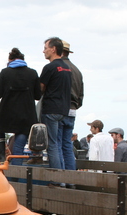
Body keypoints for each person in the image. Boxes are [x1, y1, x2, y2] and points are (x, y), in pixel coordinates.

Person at [0, 47, 41, 164]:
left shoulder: (5, 72)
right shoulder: (32, 73)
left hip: (6, 114)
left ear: (10, 60)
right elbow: (37, 96)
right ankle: (16, 178)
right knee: (18, 149)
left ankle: (2, 156)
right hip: (26, 115)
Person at [39, 37, 72, 170]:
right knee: (62, 144)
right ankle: (65, 177)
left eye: (46, 48)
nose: (43, 51)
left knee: (52, 145)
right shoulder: (66, 68)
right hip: (64, 110)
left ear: (53, 49)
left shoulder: (50, 67)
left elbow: (41, 88)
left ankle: (57, 178)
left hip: (51, 108)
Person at [56, 40, 84, 171]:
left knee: (57, 144)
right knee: (67, 145)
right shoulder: (77, 71)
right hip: (73, 109)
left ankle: (61, 178)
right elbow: (81, 96)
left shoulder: (60, 68)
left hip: (60, 109)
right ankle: (71, 178)